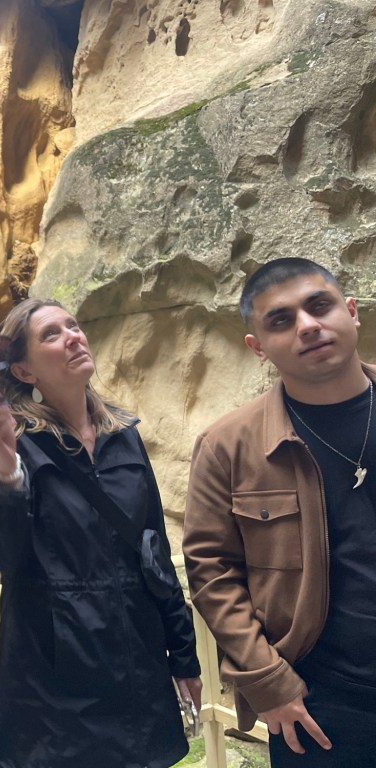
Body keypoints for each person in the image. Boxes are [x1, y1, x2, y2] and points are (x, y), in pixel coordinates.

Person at [0, 297, 202, 768]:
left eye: (73, 326)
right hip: (57, 682)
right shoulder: (13, 442)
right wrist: (6, 471)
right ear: (25, 371)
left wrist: (184, 657)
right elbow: (3, 554)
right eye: (51, 334)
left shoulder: (123, 434)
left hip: (138, 668)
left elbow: (154, 552)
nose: (73, 337)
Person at [183, 257, 376, 765]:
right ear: (258, 347)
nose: (307, 326)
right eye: (281, 320)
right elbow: (212, 572)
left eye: (319, 306)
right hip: (319, 702)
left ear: (351, 311)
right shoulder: (228, 447)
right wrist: (268, 682)